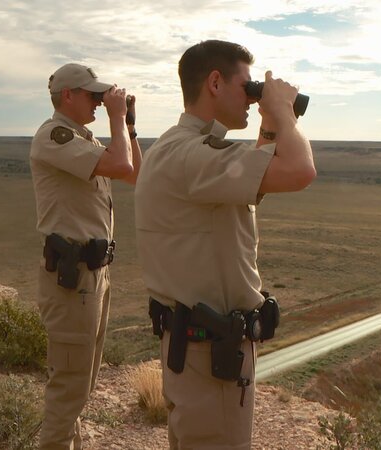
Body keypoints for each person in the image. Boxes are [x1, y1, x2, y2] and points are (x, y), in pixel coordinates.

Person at [135, 40, 316, 449]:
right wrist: (284, 112)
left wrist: (268, 120)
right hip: (209, 360)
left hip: (197, 354)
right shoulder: (193, 155)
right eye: (247, 87)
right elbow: (300, 170)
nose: (252, 99)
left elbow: (254, 179)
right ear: (215, 82)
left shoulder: (179, 148)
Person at [29, 62, 141, 449]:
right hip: (72, 276)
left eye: (101, 95)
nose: (97, 101)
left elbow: (134, 173)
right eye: (91, 95)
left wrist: (127, 125)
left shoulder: (85, 141)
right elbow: (122, 164)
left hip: (94, 274)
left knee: (83, 384)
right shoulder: (55, 137)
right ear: (68, 96)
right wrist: (114, 114)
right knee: (69, 387)